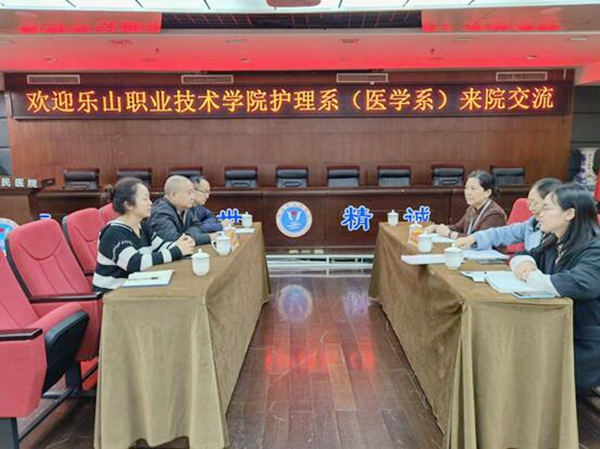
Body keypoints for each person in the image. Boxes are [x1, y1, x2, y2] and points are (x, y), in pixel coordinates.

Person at [510, 184, 600, 395]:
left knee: (523, 369)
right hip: (555, 332)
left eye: (547, 208)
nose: (539, 214)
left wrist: (530, 275)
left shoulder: (594, 249)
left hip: (583, 343)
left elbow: (575, 284)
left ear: (569, 214)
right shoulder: (554, 241)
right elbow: (522, 256)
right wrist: (526, 263)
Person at [93, 177, 195, 293]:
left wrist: (181, 244)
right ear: (129, 205)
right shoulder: (113, 233)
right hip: (113, 295)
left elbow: (161, 247)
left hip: (136, 287)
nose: (150, 203)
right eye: (145, 199)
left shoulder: (142, 227)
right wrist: (176, 251)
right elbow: (135, 263)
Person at [455, 178, 562, 250]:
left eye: (535, 203)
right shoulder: (533, 224)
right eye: (529, 202)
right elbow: (504, 233)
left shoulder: (561, 233)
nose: (530, 208)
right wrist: (474, 238)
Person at [424, 170, 506, 239]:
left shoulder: (495, 214)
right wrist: (436, 227)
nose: (468, 193)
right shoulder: (472, 208)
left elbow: (478, 240)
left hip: (490, 253)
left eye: (473, 189)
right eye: (466, 188)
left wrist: (450, 234)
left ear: (487, 192)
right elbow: (458, 228)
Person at [148, 175, 212, 245]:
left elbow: (197, 226)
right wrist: (209, 237)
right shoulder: (161, 213)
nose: (193, 197)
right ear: (173, 195)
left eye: (193, 193)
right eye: (189, 193)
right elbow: (175, 241)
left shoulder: (185, 208)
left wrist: (187, 236)